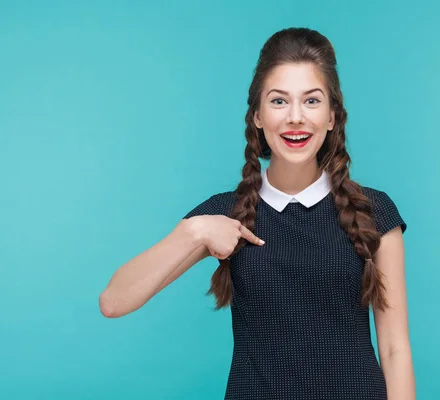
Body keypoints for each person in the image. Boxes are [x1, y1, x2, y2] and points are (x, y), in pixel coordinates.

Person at [99, 27, 415, 399]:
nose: (296, 117)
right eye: (279, 101)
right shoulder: (225, 215)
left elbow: (394, 350)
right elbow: (114, 301)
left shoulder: (373, 211)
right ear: (258, 117)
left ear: (332, 116)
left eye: (312, 101)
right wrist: (194, 233)